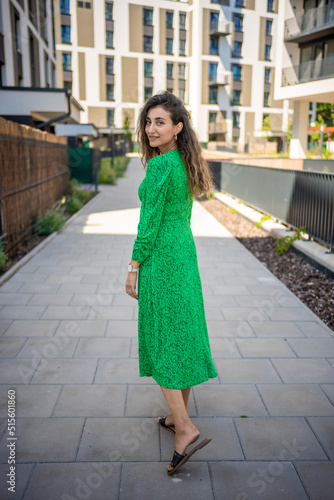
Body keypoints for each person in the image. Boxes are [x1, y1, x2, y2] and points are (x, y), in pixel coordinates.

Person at [125, 90, 218, 475]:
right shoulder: (182, 162)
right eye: (148, 121)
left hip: (163, 259)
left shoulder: (160, 167)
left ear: (178, 127)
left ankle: (184, 427)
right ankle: (174, 415)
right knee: (182, 332)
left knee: (163, 339)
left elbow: (147, 225)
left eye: (160, 121)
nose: (151, 128)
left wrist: (133, 266)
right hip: (184, 254)